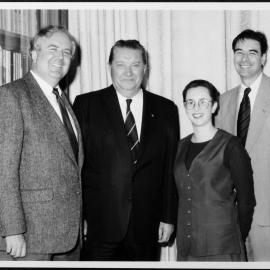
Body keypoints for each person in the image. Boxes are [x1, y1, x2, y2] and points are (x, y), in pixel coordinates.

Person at [73, 39, 179, 261]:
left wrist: (168, 217)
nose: (128, 72)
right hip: (98, 225)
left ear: (145, 68)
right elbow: (76, 167)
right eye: (121, 64)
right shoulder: (86, 105)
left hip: (146, 226)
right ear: (110, 67)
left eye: (135, 64)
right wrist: (78, 216)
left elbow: (170, 168)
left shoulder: (166, 109)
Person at [0, 25, 83, 260]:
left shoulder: (62, 99)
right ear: (34, 54)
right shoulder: (11, 96)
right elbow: (3, 171)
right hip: (30, 235)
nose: (61, 57)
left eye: (67, 52)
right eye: (53, 49)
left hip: (66, 234)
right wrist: (13, 230)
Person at [174, 79, 255, 261]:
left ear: (214, 106)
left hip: (222, 246)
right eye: (190, 103)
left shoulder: (231, 146)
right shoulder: (179, 147)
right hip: (187, 247)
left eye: (203, 102)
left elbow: (247, 200)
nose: (197, 108)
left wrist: (234, 235)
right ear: (185, 107)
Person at [215, 29, 270, 261]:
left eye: (252, 52)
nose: (244, 59)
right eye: (239, 52)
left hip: (265, 215)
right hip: (231, 213)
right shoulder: (223, 100)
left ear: (264, 58)